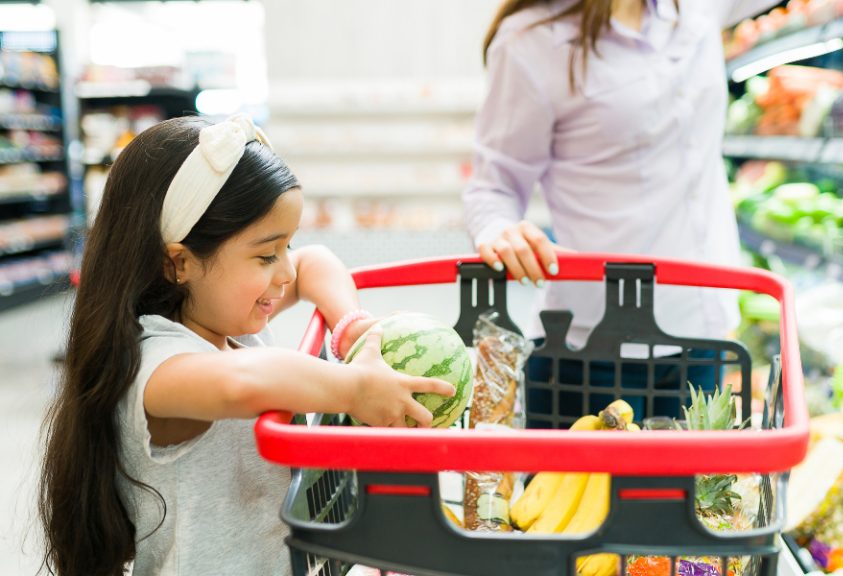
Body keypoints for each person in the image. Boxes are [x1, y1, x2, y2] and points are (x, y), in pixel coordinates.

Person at [37, 115, 454, 576]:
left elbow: (316, 262)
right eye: (265, 254)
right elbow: (243, 382)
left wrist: (350, 324)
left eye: (286, 245)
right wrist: (354, 388)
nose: (287, 272)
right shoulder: (153, 363)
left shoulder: (228, 317)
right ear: (179, 263)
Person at [462, 0, 778, 419]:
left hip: (703, 336)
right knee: (577, 488)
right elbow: (493, 186)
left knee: (691, 487)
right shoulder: (533, 41)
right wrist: (500, 230)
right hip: (588, 351)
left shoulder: (697, 9)